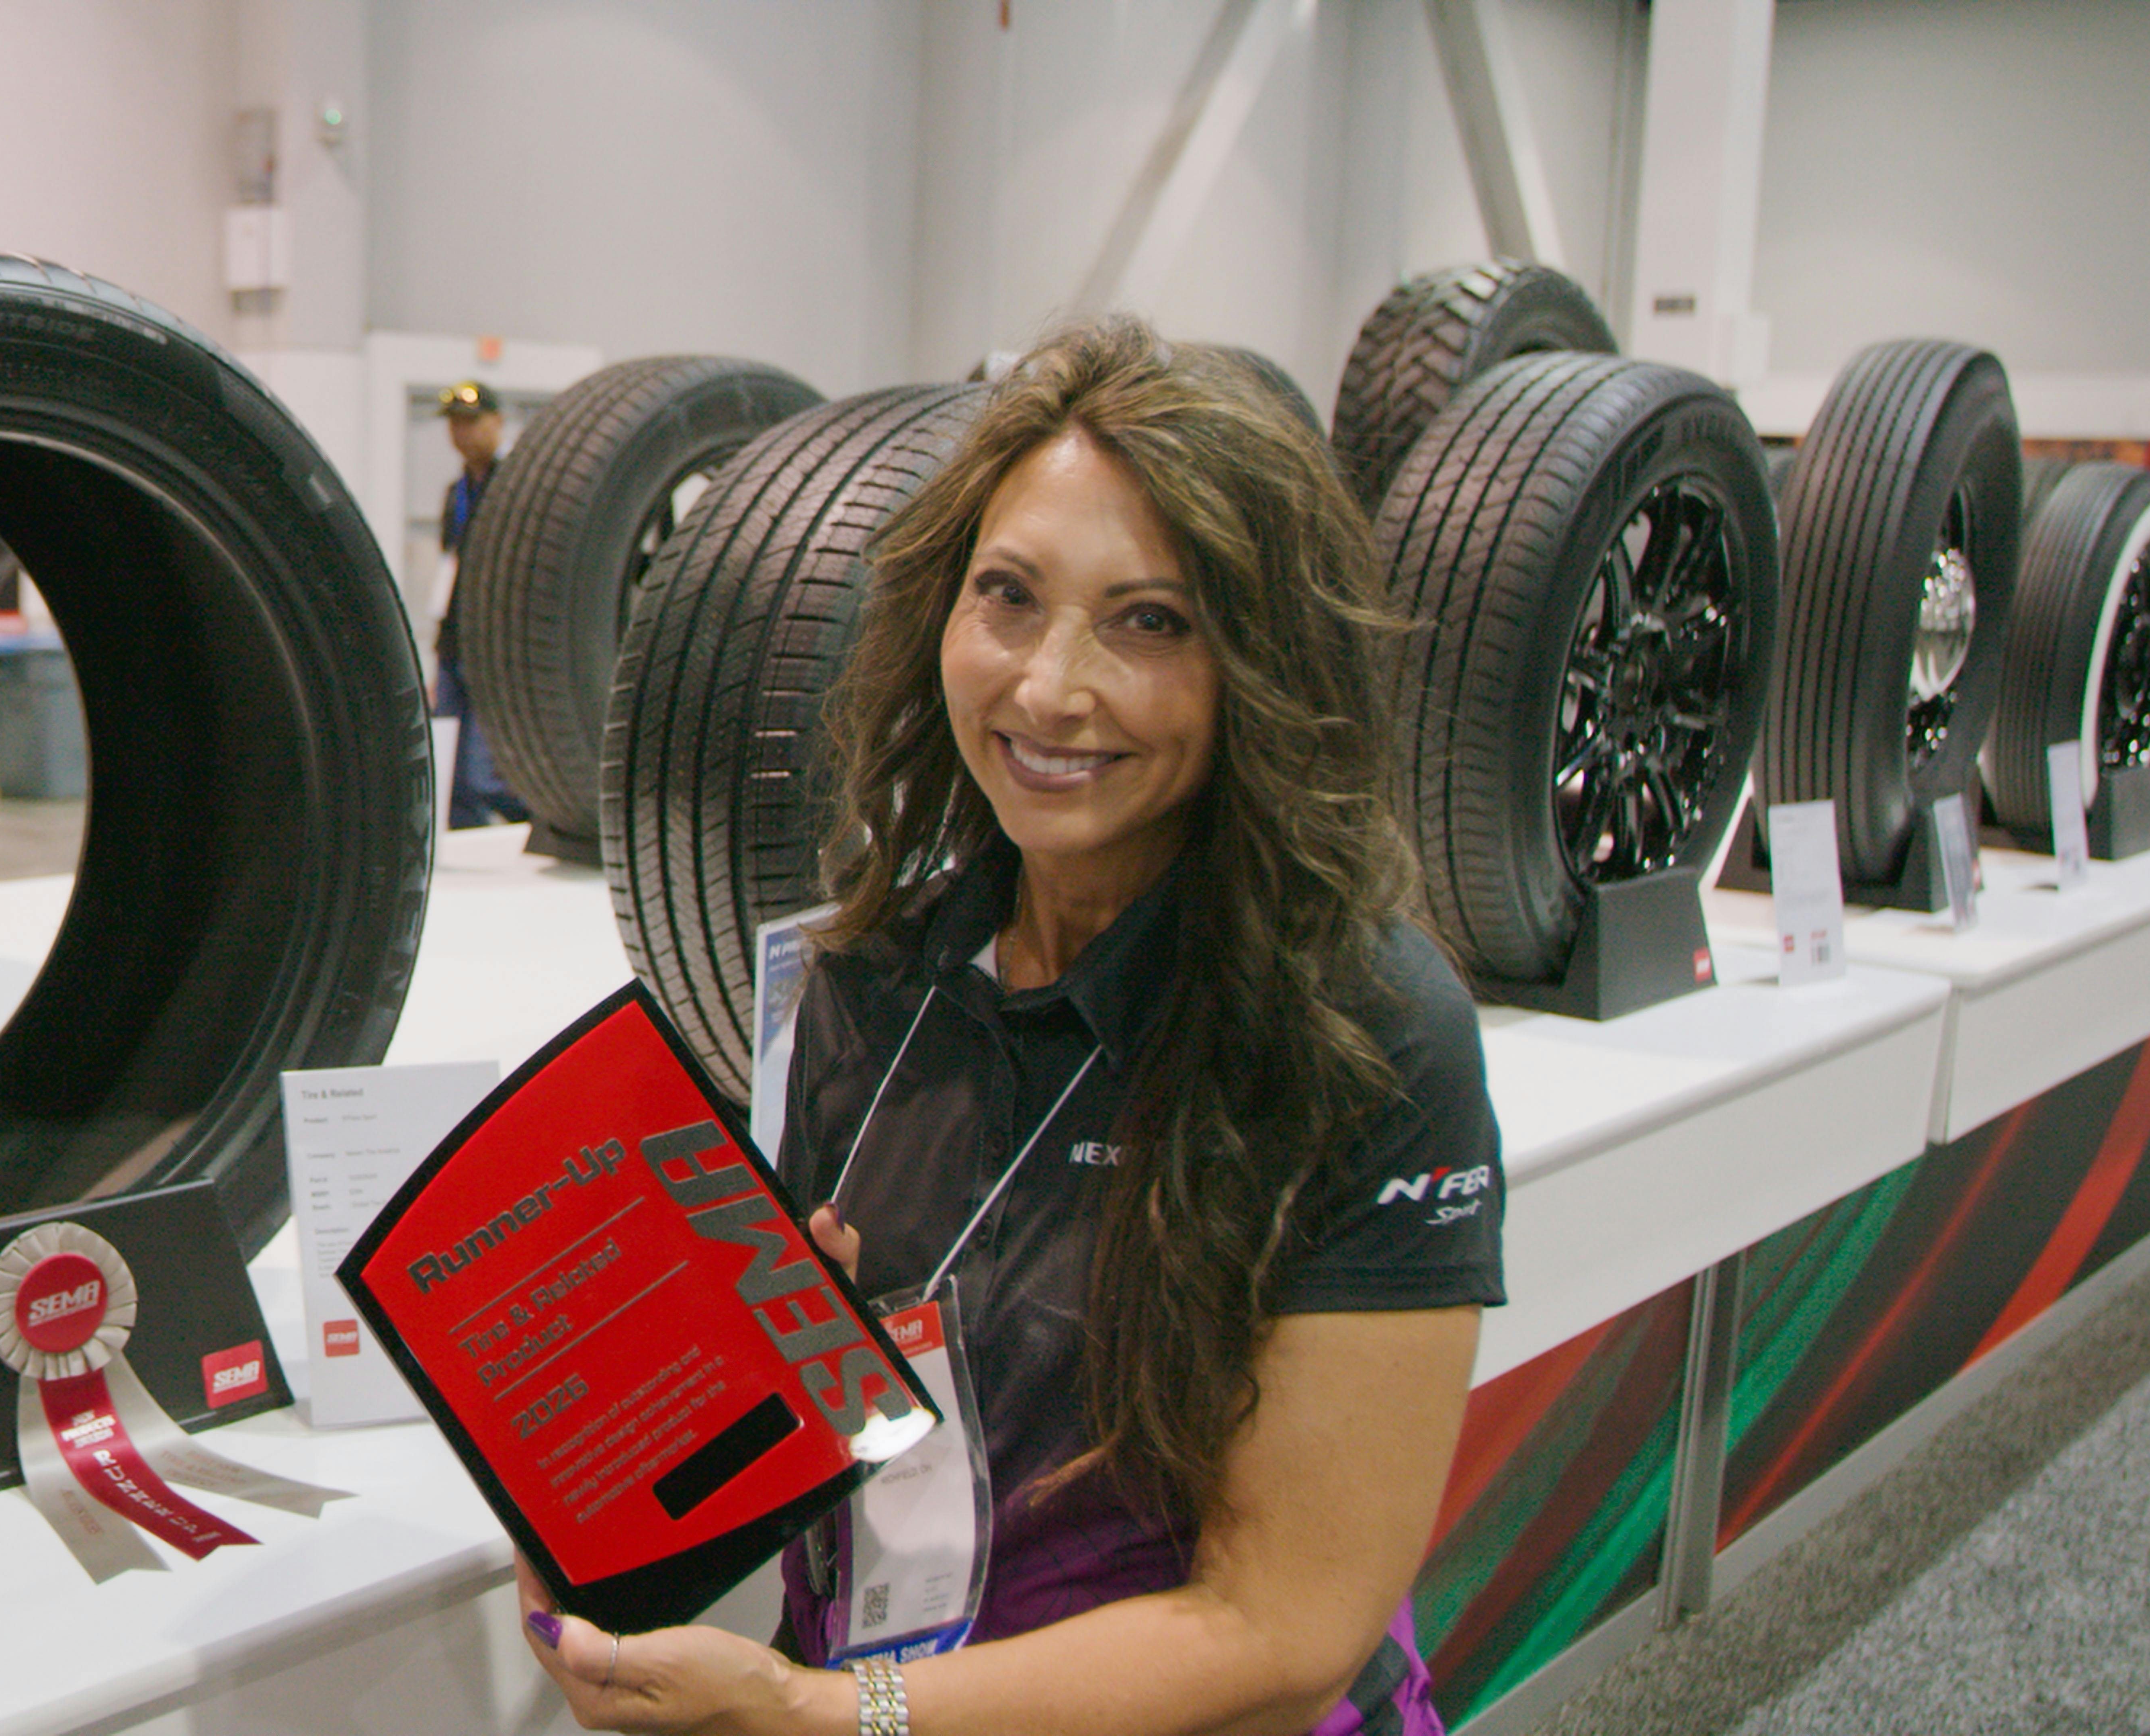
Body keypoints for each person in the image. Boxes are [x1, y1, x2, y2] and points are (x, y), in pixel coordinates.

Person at [518, 317, 1504, 1735]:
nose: (1050, 688)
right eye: (1011, 598)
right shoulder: (866, 976)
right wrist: (582, 1468)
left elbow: (1287, 1626)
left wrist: (835, 1720)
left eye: (1149, 621)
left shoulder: (1364, 1027)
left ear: (1262, 667)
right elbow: (780, 1435)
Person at [433, 377, 532, 828]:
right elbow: (449, 564)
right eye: (455, 423)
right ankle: (464, 831)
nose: (463, 433)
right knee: (449, 761)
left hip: (496, 641)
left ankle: (527, 815)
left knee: (481, 769)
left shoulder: (517, 488)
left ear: (497, 422)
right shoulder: (455, 493)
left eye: (472, 423)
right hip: (454, 638)